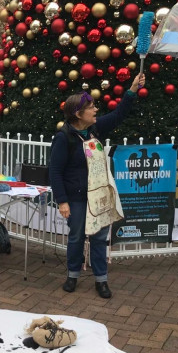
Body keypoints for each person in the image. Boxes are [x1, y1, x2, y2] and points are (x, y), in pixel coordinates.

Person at [49, 73, 146, 299]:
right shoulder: (64, 137)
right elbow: (55, 171)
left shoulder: (95, 129)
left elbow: (119, 114)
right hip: (76, 197)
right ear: (77, 113)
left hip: (99, 196)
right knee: (76, 237)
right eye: (91, 107)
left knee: (100, 238)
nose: (95, 110)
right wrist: (62, 201)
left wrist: (131, 90)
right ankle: (72, 275)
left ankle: (101, 280)